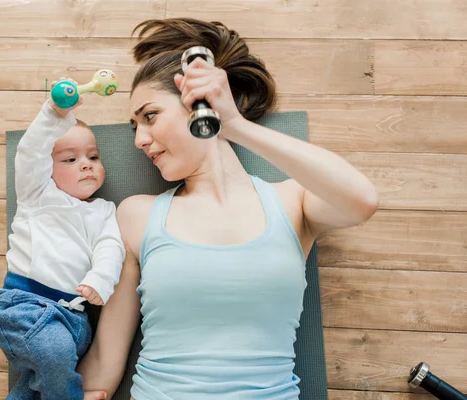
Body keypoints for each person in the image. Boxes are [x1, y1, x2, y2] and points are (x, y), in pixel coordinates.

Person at [78, 18, 379, 400]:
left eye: (150, 116)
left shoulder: (292, 202)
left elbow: (362, 201)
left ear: (199, 105)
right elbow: (105, 362)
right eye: (134, 126)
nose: (139, 139)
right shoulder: (137, 215)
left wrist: (233, 123)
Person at [0, 83, 125, 400]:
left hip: (74, 319)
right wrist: (54, 112)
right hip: (27, 309)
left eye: (93, 156)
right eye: (70, 159)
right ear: (46, 171)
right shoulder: (36, 195)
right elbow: (30, 152)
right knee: (54, 356)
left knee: (38, 382)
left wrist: (100, 280)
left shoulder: (104, 211)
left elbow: (110, 247)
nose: (86, 164)